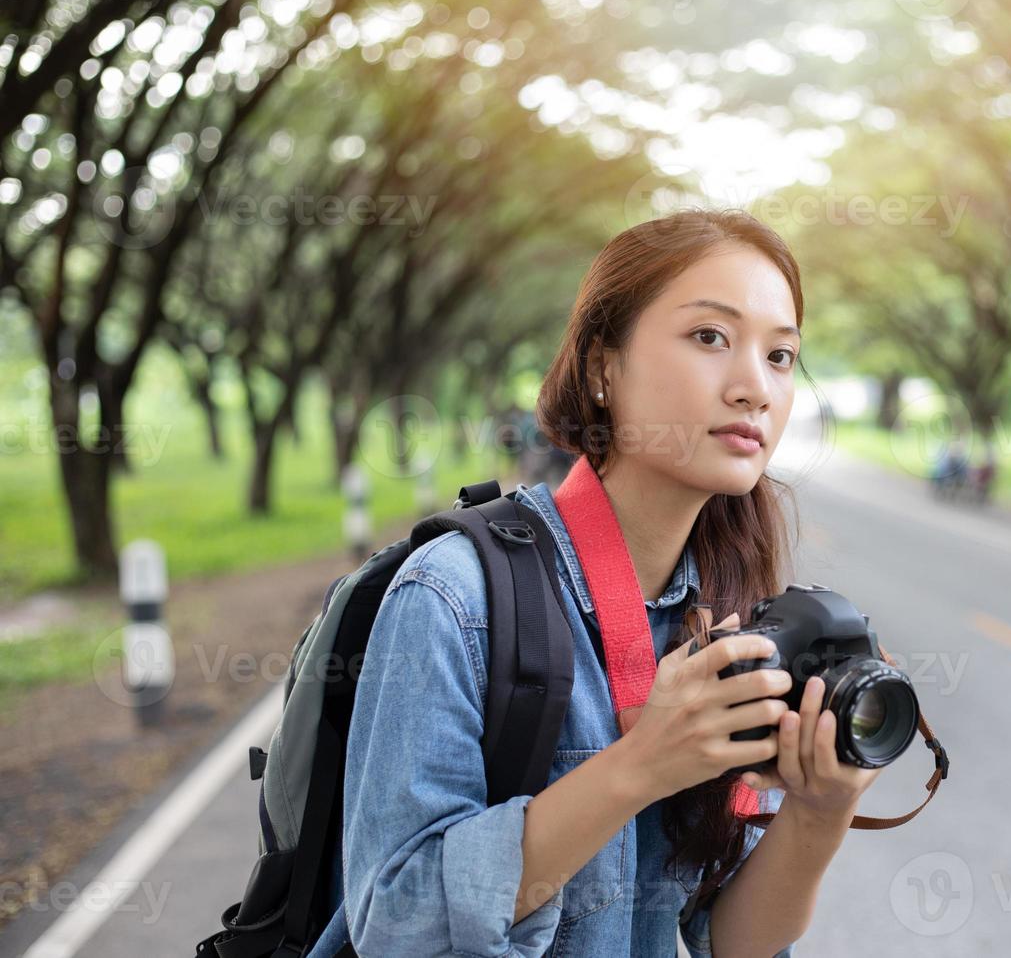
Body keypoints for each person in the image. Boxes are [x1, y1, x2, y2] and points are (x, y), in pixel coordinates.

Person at [304, 208, 884, 958]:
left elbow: (731, 940)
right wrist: (641, 766)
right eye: (710, 337)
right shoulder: (453, 597)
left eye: (780, 356)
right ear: (604, 368)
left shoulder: (729, 613)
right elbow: (395, 920)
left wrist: (819, 809)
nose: (754, 388)